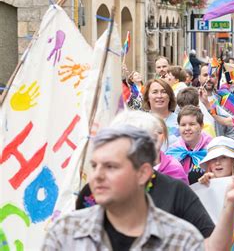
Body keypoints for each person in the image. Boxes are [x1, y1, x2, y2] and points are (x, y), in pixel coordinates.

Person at [45, 126, 204, 250]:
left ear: (143, 174)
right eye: (94, 166)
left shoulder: (182, 241)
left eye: (111, 167)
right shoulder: (65, 232)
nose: (97, 176)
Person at [167, 105, 212, 185]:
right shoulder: (172, 152)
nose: (187, 128)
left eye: (192, 124)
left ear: (201, 126)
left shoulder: (211, 149)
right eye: (183, 125)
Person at [143, 78, 180, 149]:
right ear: (147, 97)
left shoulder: (180, 122)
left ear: (169, 96)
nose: (159, 96)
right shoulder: (140, 123)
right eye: (155, 92)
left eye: (164, 92)